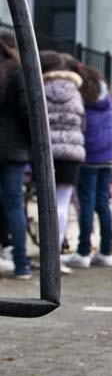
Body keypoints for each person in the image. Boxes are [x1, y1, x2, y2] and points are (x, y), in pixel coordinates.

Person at [63, 64, 112, 269]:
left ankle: (84, 251)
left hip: (89, 157)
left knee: (86, 203)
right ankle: (106, 252)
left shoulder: (84, 100)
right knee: (102, 203)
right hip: (107, 157)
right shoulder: (108, 100)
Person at [41, 51, 85, 275]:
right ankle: (55, 253)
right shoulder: (74, 92)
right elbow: (82, 123)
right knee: (63, 202)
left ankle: (46, 252)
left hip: (47, 152)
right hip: (72, 153)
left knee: (45, 202)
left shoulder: (42, 88)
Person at [0, 31, 31, 279]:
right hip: (13, 150)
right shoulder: (17, 72)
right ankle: (21, 263)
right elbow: (26, 113)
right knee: (14, 205)